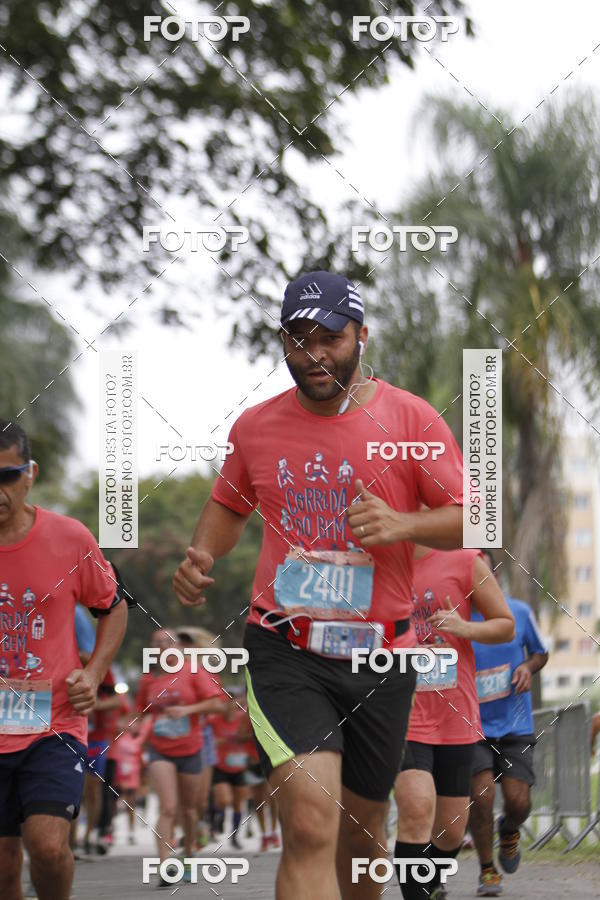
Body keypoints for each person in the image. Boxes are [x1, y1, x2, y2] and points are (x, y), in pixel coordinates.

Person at [173, 271, 465, 900]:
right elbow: (229, 504)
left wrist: (404, 523)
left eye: (330, 337)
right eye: (299, 339)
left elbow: (472, 517)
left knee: (362, 835)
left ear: (362, 336)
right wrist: (202, 553)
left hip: (381, 655)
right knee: (309, 820)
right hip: (286, 647)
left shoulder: (411, 421)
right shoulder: (256, 427)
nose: (314, 354)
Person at [0, 421, 128, 900]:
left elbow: (113, 608)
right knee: (3, 866)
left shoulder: (69, 538)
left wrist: (92, 674)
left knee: (47, 846)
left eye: (7, 476)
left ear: (30, 473)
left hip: (54, 723)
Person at [394, 545, 514, 900]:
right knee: (415, 808)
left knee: (450, 831)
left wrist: (463, 627)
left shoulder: (466, 562)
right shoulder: (375, 562)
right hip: (401, 712)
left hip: (453, 714)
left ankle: (426, 877)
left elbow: (505, 625)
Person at [469, 553, 549, 897]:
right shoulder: (455, 619)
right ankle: (487, 870)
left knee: (518, 802)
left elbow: (541, 652)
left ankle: (510, 829)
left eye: (481, 567)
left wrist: (527, 668)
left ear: (495, 573)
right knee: (481, 796)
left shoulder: (518, 612)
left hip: (514, 722)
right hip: (471, 726)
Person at [135, 628, 224, 887]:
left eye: (167, 641)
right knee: (168, 807)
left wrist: (187, 710)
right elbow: (140, 712)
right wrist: (134, 727)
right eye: (157, 642)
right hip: (160, 749)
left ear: (177, 647)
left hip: (191, 748)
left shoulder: (193, 671)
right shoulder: (148, 680)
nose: (162, 646)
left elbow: (216, 704)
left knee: (189, 809)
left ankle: (187, 856)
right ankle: (165, 865)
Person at [208, 693, 251, 850]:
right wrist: (218, 741)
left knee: (238, 804)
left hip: (239, 766)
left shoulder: (243, 718)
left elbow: (249, 736)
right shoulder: (214, 721)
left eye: (231, 703)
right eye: (224, 704)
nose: (228, 707)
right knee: (224, 799)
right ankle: (215, 821)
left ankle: (234, 837)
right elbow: (206, 737)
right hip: (221, 767)